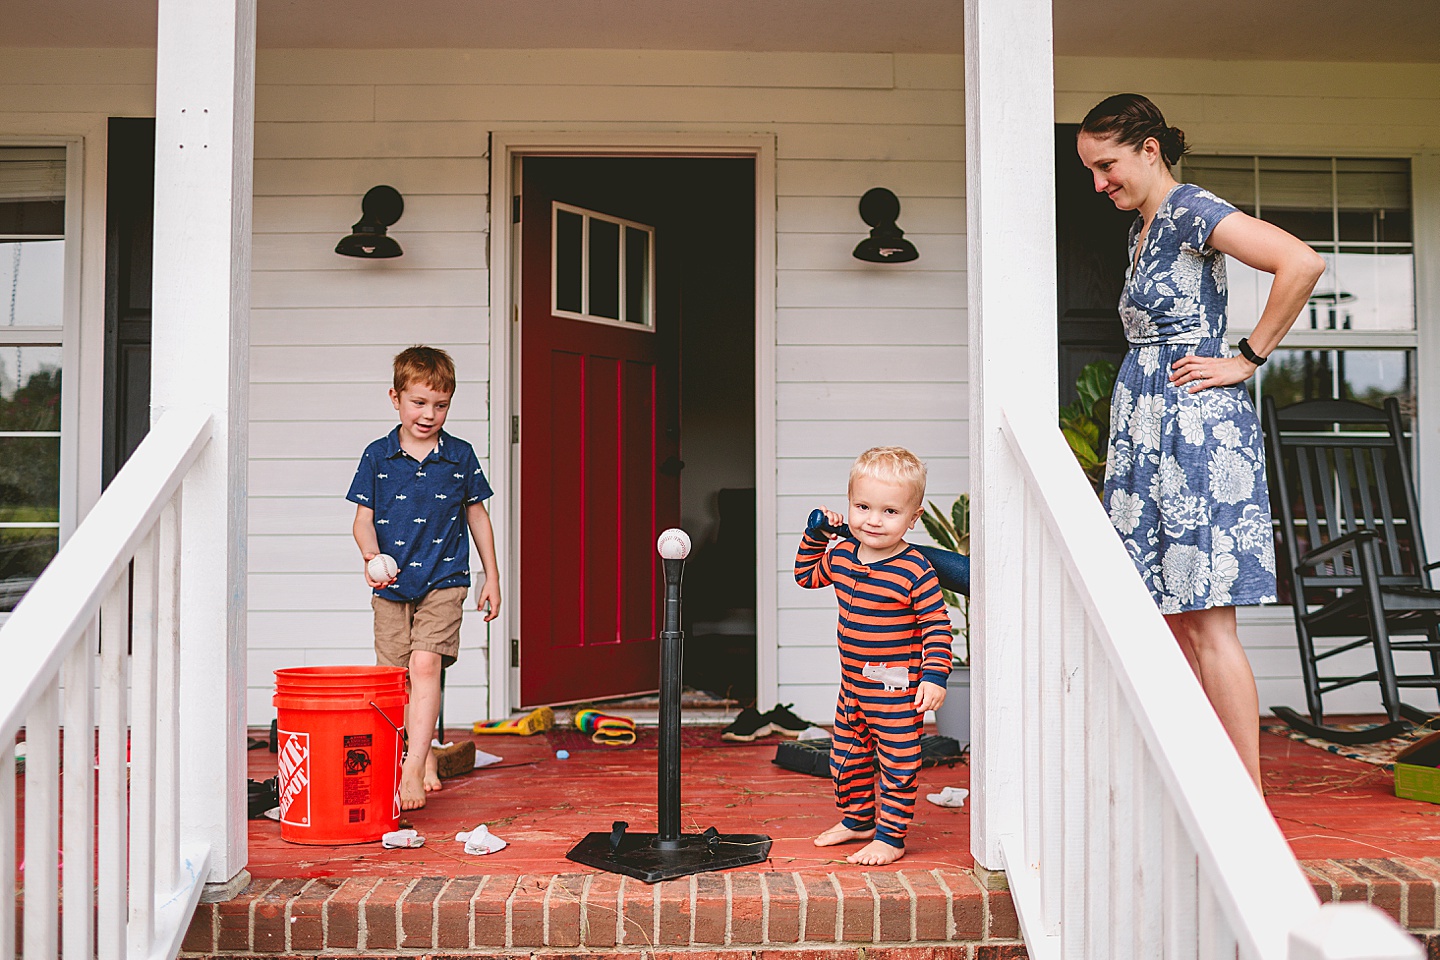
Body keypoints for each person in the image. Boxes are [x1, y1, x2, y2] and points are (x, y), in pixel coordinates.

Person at [1076, 94, 1326, 789]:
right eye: (1092, 170)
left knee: (1210, 621)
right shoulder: (1143, 227)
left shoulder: (1191, 207)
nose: (1099, 183)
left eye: (1107, 165)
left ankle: (1241, 797)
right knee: (1175, 617)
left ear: (1148, 149)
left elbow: (1300, 263)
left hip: (1193, 431)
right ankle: (1198, 779)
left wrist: (1247, 357)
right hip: (1148, 428)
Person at [347, 345, 501, 810]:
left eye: (440, 405)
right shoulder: (378, 456)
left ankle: (410, 769)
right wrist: (371, 556)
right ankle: (424, 753)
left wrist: (490, 577)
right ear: (395, 397)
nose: (428, 414)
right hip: (391, 586)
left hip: (445, 578)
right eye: (418, 402)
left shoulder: (459, 456)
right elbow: (362, 520)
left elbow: (478, 517)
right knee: (397, 679)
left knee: (426, 665)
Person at [795, 446, 953, 865]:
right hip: (852, 688)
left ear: (913, 517)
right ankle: (858, 820)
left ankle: (890, 837)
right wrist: (816, 536)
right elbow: (805, 576)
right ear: (848, 506)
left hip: (896, 689)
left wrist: (935, 677)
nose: (873, 520)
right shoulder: (842, 555)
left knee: (898, 765)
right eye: (862, 507)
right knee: (846, 760)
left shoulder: (915, 569)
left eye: (889, 511)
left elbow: (937, 626)